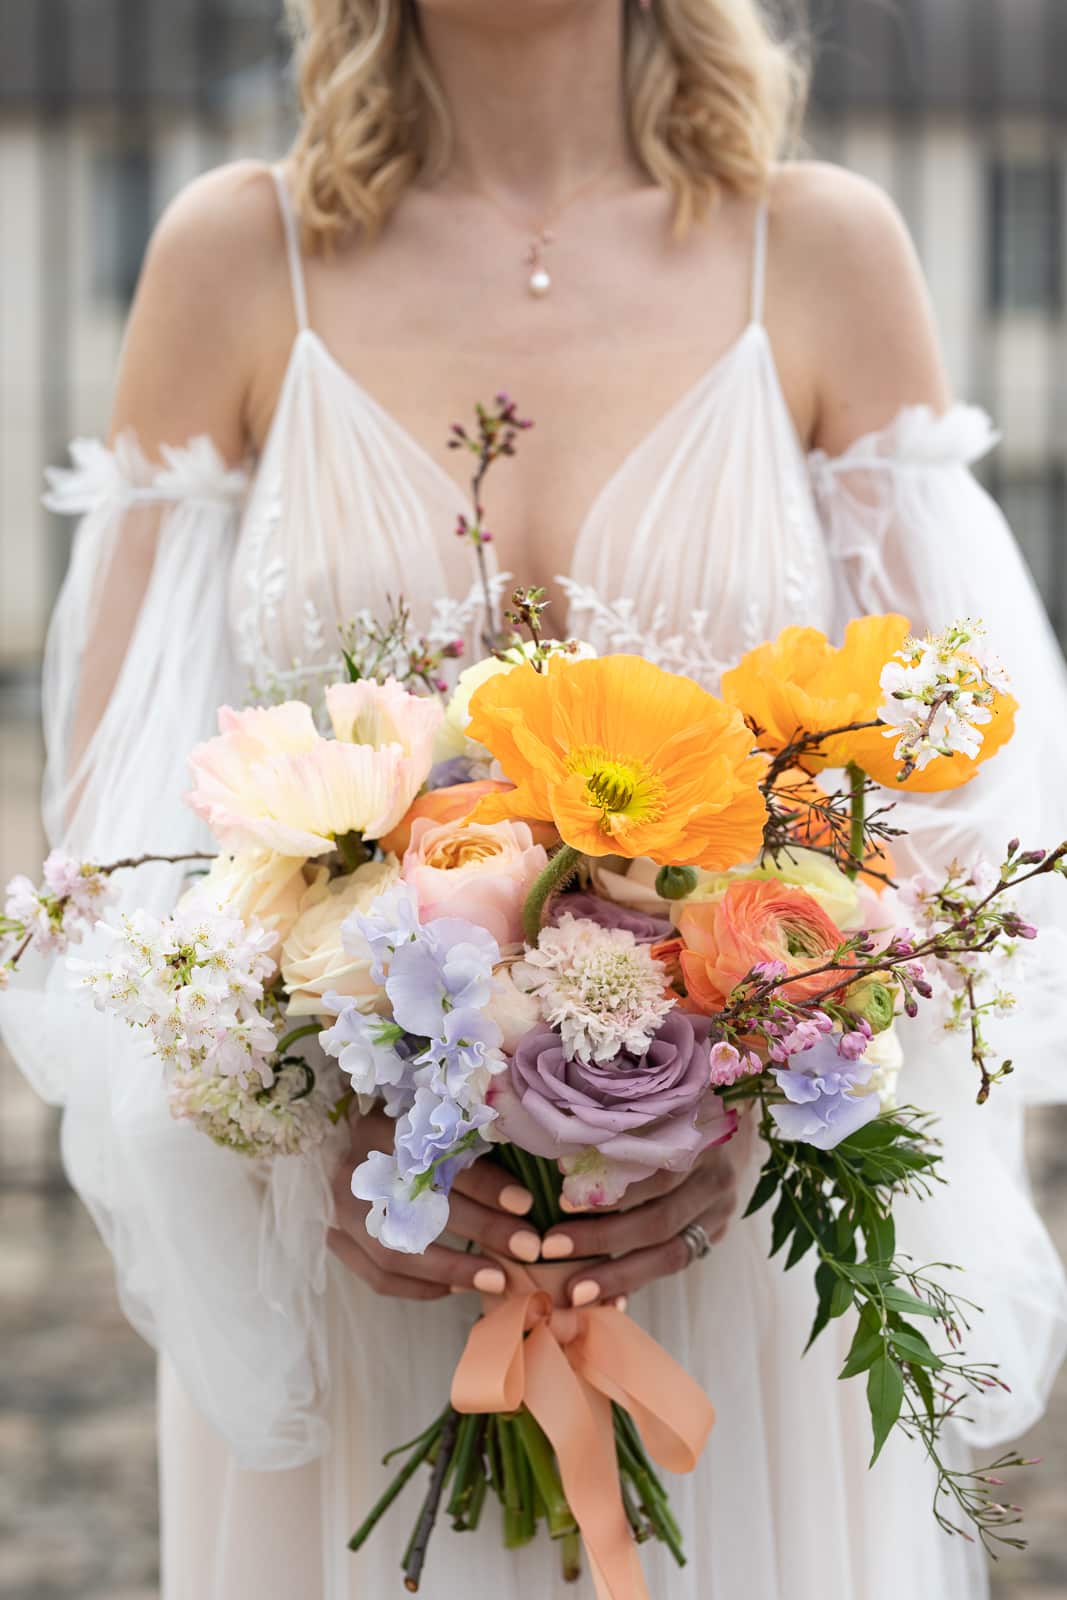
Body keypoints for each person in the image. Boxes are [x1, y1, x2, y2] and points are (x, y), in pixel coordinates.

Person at [3, 2, 1066, 1597]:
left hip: (741, 1258)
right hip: (372, 1253)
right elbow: (114, 847)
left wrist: (752, 1090)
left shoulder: (822, 250)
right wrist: (316, 1143)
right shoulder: (235, 257)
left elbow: (953, 803)